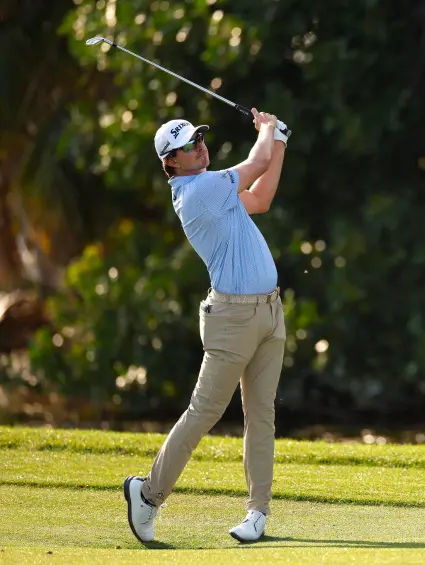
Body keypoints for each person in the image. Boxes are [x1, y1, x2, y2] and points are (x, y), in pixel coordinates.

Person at [122, 108, 291, 544]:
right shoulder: (198, 190)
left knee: (261, 414)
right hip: (232, 319)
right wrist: (269, 131)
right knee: (205, 412)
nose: (200, 147)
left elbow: (262, 197)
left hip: (270, 313)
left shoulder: (217, 189)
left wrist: (281, 143)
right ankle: (149, 494)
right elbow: (255, 164)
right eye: (189, 146)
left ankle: (258, 513)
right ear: (171, 163)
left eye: (199, 139)